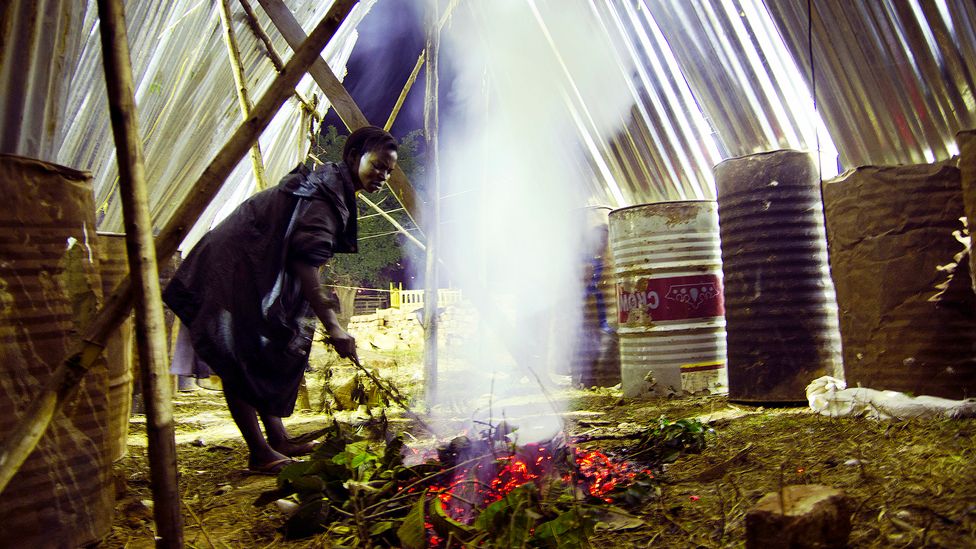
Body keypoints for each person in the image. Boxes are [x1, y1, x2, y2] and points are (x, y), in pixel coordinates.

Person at [163, 126, 398, 474]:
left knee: (260, 353)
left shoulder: (332, 188)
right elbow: (305, 264)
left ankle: (278, 439)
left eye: (389, 171)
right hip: (229, 269)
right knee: (239, 360)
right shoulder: (324, 197)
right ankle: (260, 453)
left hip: (246, 269)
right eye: (377, 165)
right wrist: (335, 328)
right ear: (353, 158)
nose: (383, 176)